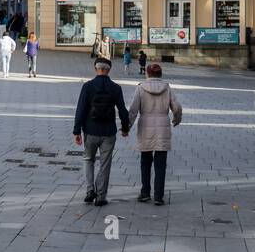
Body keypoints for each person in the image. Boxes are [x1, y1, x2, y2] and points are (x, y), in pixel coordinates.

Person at [72, 57, 130, 207]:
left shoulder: (88, 86)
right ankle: (101, 196)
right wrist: (125, 128)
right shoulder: (115, 88)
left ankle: (90, 190)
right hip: (109, 132)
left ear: (95, 68)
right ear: (109, 70)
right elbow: (123, 110)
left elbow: (81, 109)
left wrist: (76, 130)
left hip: (90, 130)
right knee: (105, 164)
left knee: (88, 159)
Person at [128, 63, 183, 205]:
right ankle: (159, 196)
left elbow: (133, 110)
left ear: (147, 73)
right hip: (163, 127)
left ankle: (145, 192)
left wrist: (126, 127)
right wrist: (176, 119)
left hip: (145, 127)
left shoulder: (140, 88)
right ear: (160, 74)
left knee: (145, 162)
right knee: (160, 164)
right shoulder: (167, 88)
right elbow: (177, 107)